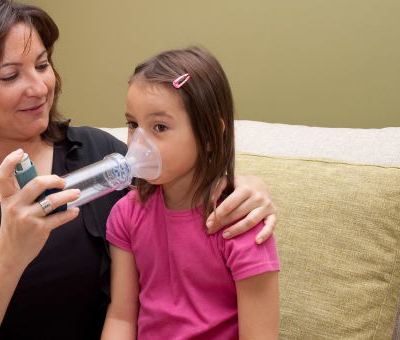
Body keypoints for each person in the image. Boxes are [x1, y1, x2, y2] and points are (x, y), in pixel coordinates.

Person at [0, 1, 277, 339]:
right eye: (10, 75)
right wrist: (10, 251)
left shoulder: (98, 154)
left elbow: (177, 179)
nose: (38, 87)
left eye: (42, 65)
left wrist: (242, 184)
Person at [102, 47, 280, 339]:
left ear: (210, 135)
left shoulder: (240, 223)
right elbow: (122, 317)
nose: (139, 142)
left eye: (159, 126)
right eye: (133, 124)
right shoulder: (126, 214)